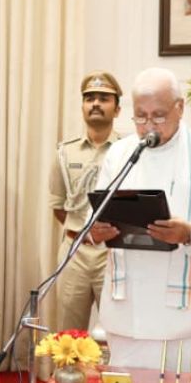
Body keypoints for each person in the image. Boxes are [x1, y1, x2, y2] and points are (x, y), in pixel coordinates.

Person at [90, 68, 191, 373]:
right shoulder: (119, 154)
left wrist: (189, 233)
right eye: (140, 117)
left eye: (158, 116)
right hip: (128, 309)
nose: (148, 126)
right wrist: (96, 231)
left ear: (180, 108)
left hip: (185, 316)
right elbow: (92, 221)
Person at [47, 71, 123, 332]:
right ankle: (69, 375)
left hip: (113, 252)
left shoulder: (128, 149)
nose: (96, 104)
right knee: (69, 334)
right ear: (82, 107)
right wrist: (84, 232)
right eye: (89, 98)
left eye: (104, 98)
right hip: (75, 250)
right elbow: (59, 205)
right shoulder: (65, 151)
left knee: (119, 331)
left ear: (117, 109)